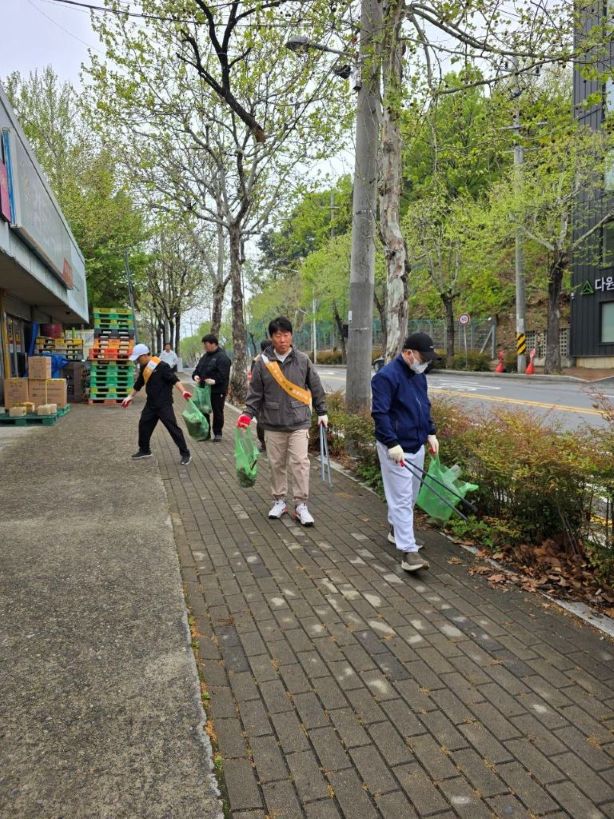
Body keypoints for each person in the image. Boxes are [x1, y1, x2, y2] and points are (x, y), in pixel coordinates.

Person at [237, 316, 327, 526]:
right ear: (271, 337)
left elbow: (316, 386)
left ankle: (301, 504)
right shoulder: (262, 364)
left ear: (291, 336)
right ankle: (279, 501)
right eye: (278, 335)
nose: (283, 339)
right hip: (272, 423)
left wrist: (322, 411)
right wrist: (246, 414)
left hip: (298, 422)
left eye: (286, 335)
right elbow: (255, 394)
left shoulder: (303, 360)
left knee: (300, 464)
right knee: (276, 464)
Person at [371, 332, 439, 572]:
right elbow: (380, 413)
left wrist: (430, 433)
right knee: (400, 498)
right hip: (396, 449)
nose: (426, 364)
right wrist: (391, 443)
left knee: (410, 495)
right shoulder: (386, 377)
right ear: (408, 353)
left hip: (416, 444)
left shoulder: (419, 376)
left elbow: (424, 405)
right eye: (423, 358)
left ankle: (395, 530)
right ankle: (408, 553)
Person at [122, 342, 193, 465]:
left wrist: (184, 391)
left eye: (138, 359)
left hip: (164, 404)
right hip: (151, 404)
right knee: (143, 424)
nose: (137, 362)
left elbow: (174, 380)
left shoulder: (162, 366)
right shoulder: (145, 367)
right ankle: (144, 450)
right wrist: (129, 397)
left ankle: (185, 453)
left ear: (144, 355)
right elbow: (139, 384)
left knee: (173, 429)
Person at [192, 334, 232, 441]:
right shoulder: (204, 357)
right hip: (204, 390)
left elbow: (224, 375)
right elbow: (197, 369)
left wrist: (215, 381)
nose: (204, 347)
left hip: (217, 390)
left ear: (213, 344)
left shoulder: (222, 357)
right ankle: (206, 433)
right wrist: (195, 375)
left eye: (206, 345)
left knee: (217, 411)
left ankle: (218, 433)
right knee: (204, 411)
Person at [250, 339, 269, 451]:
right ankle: (264, 443)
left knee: (261, 421)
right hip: (264, 398)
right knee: (262, 422)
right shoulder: (260, 360)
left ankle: (264, 444)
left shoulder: (257, 360)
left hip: (260, 398)